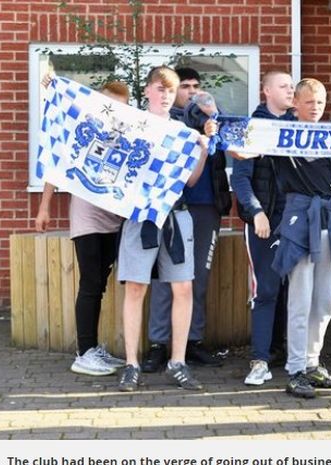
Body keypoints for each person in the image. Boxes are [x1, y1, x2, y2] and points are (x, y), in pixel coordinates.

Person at [116, 66, 212, 392]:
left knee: (183, 288)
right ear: (147, 91)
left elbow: (192, 180)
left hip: (176, 215)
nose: (165, 95)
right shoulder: (133, 125)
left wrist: (201, 150)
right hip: (141, 216)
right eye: (160, 89)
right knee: (135, 288)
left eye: (170, 91)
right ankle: (131, 364)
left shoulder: (182, 130)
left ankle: (178, 362)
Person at [35, 80, 130, 377]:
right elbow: (56, 165)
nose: (113, 108)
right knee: (90, 283)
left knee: (99, 283)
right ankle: (83, 353)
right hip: (87, 219)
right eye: (108, 102)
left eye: (120, 103)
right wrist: (44, 207)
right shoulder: (82, 127)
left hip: (115, 219)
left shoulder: (129, 133)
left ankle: (91, 348)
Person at [142, 67, 231, 372]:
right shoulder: (166, 122)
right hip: (172, 207)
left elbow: (229, 145)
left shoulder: (210, 118)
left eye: (196, 86)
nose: (191, 91)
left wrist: (214, 117)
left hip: (206, 206)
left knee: (198, 279)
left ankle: (192, 342)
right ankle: (157, 344)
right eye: (185, 86)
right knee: (163, 279)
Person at [270, 78, 331, 399]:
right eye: (309, 102)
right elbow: (241, 151)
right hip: (300, 220)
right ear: (296, 104)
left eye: (319, 102)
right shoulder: (280, 137)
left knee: (326, 299)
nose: (315, 108)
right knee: (300, 298)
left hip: (329, 220)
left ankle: (313, 363)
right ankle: (296, 369)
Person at [231, 71, 295, 386]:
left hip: (294, 222)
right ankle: (260, 360)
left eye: (292, 85)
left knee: (292, 290)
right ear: (266, 91)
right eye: (284, 85)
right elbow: (240, 177)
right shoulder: (251, 128)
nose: (290, 90)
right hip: (264, 222)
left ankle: (285, 353)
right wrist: (256, 211)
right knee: (266, 289)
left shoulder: (299, 127)